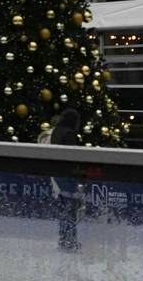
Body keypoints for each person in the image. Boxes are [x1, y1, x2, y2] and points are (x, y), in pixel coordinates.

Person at [49, 108, 83, 252]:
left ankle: (64, 239)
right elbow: (73, 154)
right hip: (67, 175)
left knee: (64, 208)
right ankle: (70, 240)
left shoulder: (56, 131)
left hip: (57, 174)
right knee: (71, 209)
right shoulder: (69, 133)